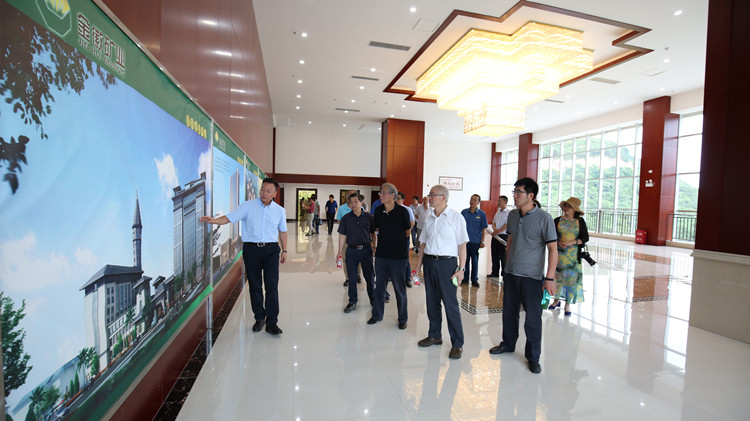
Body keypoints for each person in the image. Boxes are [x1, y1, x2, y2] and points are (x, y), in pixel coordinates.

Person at [200, 178, 288, 335]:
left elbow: (283, 231)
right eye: (263, 189)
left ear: (275, 193)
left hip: (271, 250)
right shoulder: (248, 206)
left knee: (271, 286)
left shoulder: (279, 211)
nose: (264, 193)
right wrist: (213, 221)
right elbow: (229, 217)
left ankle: (272, 322)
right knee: (255, 286)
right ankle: (259, 318)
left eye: (268, 191)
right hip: (251, 250)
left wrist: (285, 250)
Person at [489, 177, 558, 374]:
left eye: (519, 192)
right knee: (509, 313)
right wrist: (507, 264)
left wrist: (549, 278)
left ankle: (533, 357)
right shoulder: (512, 215)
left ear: (531, 195)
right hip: (511, 273)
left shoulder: (544, 218)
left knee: (533, 319)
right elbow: (510, 240)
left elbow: (553, 249)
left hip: (532, 277)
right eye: (515, 191)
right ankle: (508, 344)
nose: (515, 195)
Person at [415, 184, 468, 359]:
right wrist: (418, 266)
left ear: (443, 197)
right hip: (430, 262)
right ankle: (435, 335)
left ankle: (457, 343)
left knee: (450, 304)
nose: (429, 198)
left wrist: (461, 269)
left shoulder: (455, 218)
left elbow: (462, 245)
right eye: (429, 195)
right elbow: (423, 244)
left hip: (447, 265)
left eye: (432, 195)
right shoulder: (429, 217)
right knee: (432, 301)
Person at [369, 183, 411, 330]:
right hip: (381, 255)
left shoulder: (403, 211)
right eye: (380, 193)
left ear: (393, 195)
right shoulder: (378, 211)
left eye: (384, 193)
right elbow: (376, 229)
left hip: (398, 257)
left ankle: (403, 318)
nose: (381, 195)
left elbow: (407, 232)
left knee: (399, 288)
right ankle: (377, 315)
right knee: (379, 287)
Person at [548, 197, 589, 317]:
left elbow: (585, 238)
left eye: (569, 206)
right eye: (565, 206)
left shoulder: (580, 221)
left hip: (573, 257)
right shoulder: (557, 220)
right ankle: (556, 300)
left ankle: (568, 303)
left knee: (571, 280)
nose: (566, 208)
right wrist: (557, 242)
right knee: (557, 278)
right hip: (558, 255)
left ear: (575, 209)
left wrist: (572, 242)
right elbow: (551, 236)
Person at [337, 193, 375, 312]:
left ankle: (373, 298)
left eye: (355, 201)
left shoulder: (368, 217)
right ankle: (352, 301)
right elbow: (342, 236)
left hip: (366, 250)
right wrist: (339, 252)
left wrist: (375, 246)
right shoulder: (346, 218)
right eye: (351, 202)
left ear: (361, 203)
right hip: (351, 251)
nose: (353, 204)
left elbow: (373, 233)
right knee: (352, 278)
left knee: (369, 276)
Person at [460, 194, 488, 288]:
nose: (472, 201)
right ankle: (465, 278)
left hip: (475, 241)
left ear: (478, 202)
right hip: (465, 242)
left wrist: (482, 241)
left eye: (475, 200)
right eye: (471, 199)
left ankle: (474, 279)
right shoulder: (464, 212)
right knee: (465, 260)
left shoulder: (482, 214)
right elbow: (460, 227)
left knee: (475, 261)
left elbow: (483, 229)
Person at [396, 192, 416, 287]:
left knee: (405, 258)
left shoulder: (408, 210)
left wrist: (405, 234)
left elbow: (412, 223)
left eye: (399, 198)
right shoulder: (390, 209)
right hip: (392, 239)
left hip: (404, 238)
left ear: (403, 200)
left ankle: (407, 279)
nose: (396, 200)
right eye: (395, 198)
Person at [488, 195, 510, 278]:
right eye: (498, 201)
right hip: (495, 236)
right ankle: (495, 272)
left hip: (503, 236)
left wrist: (498, 231)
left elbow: (507, 224)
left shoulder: (508, 213)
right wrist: (494, 229)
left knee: (503, 256)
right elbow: (493, 222)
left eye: (500, 201)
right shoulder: (498, 212)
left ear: (505, 202)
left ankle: (504, 273)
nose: (498, 202)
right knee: (494, 254)